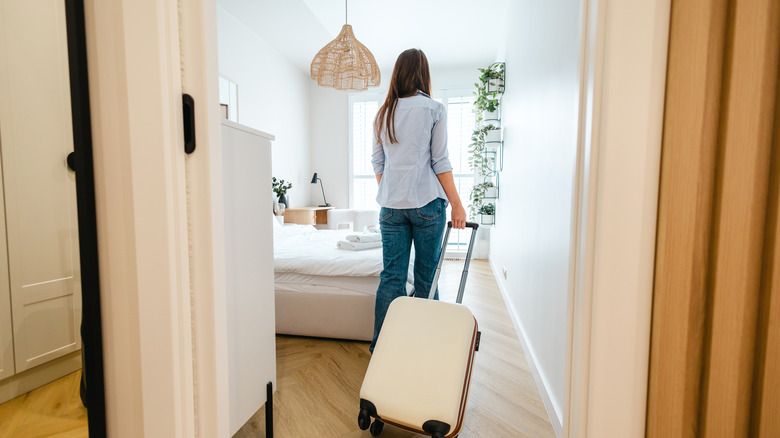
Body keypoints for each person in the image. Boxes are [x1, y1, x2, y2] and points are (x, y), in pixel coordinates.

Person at [370, 48, 467, 352]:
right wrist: (457, 204)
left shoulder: (383, 112)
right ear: (423, 74)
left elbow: (377, 163)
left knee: (392, 278)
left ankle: (383, 349)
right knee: (426, 276)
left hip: (390, 208)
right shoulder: (433, 109)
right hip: (427, 205)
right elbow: (440, 161)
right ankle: (424, 348)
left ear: (398, 73)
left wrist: (393, 191)